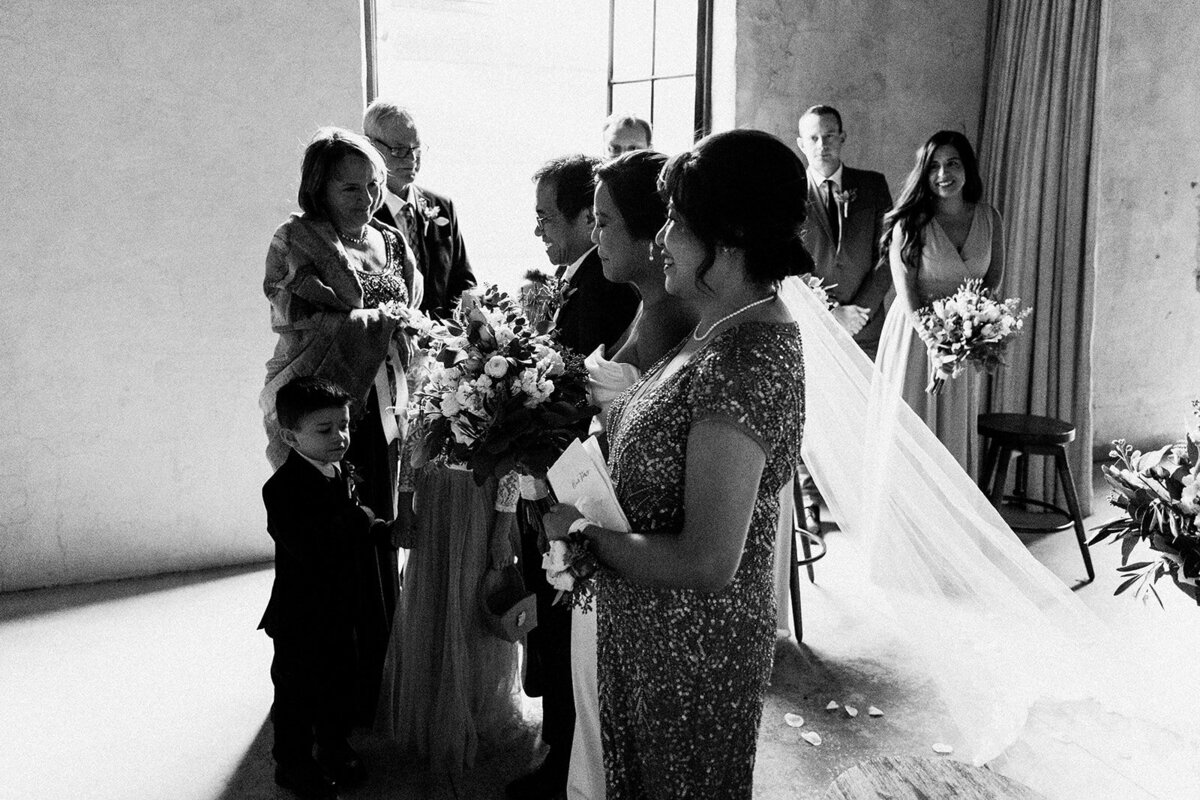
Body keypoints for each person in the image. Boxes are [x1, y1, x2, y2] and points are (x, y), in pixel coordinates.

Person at [543, 129, 808, 799]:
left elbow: (706, 559)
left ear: (732, 237)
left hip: (692, 657)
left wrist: (582, 535)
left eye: (678, 224)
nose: (660, 238)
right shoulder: (711, 321)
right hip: (650, 638)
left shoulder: (744, 360)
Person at [260, 127, 423, 727]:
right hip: (323, 408)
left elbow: (414, 310)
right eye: (350, 186)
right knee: (327, 544)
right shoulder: (294, 239)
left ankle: (379, 671)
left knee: (377, 530)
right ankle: (328, 689)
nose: (366, 197)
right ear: (319, 187)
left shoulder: (389, 239)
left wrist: (400, 327)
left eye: (374, 184)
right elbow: (294, 315)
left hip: (385, 411)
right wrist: (380, 321)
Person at [510, 155, 640, 800]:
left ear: (589, 218)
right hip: (556, 479)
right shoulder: (578, 277)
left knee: (563, 619)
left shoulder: (604, 287)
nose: (538, 231)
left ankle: (564, 758)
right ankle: (560, 745)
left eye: (545, 217)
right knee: (553, 617)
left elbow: (569, 393)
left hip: (577, 482)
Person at [568, 149, 695, 800]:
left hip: (636, 544)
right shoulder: (647, 304)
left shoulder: (672, 317)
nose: (594, 236)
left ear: (651, 239)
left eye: (604, 222)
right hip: (606, 519)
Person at [258, 376, 398, 799]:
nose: (340, 437)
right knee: (297, 693)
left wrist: (380, 530)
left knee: (338, 682)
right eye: (325, 429)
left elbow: (349, 532)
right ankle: (293, 764)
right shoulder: (281, 490)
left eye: (345, 425)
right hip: (301, 616)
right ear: (289, 435)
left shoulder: (335, 471)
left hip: (339, 608)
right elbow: (315, 545)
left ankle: (334, 746)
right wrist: (360, 519)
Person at [876, 130, 1004, 477]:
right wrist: (935, 344)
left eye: (952, 164)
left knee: (951, 427)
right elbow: (906, 294)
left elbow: (991, 281)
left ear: (967, 169)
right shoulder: (910, 223)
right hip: (916, 338)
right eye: (933, 167)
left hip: (962, 342)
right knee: (912, 423)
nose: (943, 174)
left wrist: (972, 332)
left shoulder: (989, 218)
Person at [793, 104, 894, 534]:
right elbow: (786, 264)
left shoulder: (872, 187)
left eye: (830, 135)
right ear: (801, 144)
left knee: (864, 416)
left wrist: (860, 311)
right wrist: (828, 314)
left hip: (867, 326)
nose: (823, 145)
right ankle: (811, 500)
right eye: (814, 138)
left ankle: (860, 501)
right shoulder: (789, 192)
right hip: (814, 325)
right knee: (812, 417)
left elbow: (890, 255)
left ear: (843, 137)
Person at [364, 100, 476, 318]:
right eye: (399, 150)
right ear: (371, 147)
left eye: (416, 148)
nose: (412, 158)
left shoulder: (442, 207)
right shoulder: (363, 212)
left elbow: (464, 282)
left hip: (443, 340)